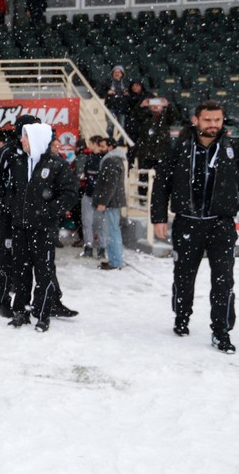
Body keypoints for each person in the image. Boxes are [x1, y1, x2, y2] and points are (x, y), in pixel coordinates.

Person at [151, 100, 237, 354]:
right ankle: (182, 316)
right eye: (208, 120)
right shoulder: (179, 148)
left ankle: (221, 330)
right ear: (195, 120)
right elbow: (161, 184)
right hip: (187, 223)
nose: (213, 125)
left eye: (217, 120)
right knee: (184, 276)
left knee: (224, 281)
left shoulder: (233, 148)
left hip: (221, 225)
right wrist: (159, 217)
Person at [6, 123, 79, 332]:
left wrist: (48, 211)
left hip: (43, 229)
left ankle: (43, 312)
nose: (21, 140)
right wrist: (13, 209)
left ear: (36, 139)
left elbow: (70, 194)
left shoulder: (56, 165)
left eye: (25, 137)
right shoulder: (19, 162)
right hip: (21, 228)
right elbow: (11, 190)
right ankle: (20, 311)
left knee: (44, 272)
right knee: (20, 271)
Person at [0, 115, 40, 317]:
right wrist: (4, 202)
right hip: (5, 216)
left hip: (28, 217)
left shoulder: (37, 153)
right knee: (4, 259)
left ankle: (26, 301)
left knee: (25, 261)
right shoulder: (7, 152)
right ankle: (3, 301)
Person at [131, 96, 180, 200]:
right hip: (145, 151)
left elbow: (175, 116)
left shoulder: (166, 117)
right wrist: (141, 105)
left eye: (158, 104)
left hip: (161, 151)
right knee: (143, 176)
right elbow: (135, 115)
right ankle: (143, 198)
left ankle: (161, 197)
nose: (156, 106)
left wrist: (169, 105)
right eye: (153, 104)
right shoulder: (144, 116)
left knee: (162, 176)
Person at [93, 138, 128, 271]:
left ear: (111, 147)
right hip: (114, 201)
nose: (101, 149)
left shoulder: (111, 161)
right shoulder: (116, 160)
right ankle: (115, 260)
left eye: (103, 146)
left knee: (112, 231)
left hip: (111, 202)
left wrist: (103, 202)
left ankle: (115, 261)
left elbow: (110, 185)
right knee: (113, 231)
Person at [78, 135, 108, 259]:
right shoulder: (89, 158)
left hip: (100, 196)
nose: (89, 146)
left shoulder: (104, 159)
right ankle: (88, 247)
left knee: (101, 224)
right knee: (87, 222)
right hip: (89, 193)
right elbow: (86, 174)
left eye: (90, 143)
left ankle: (101, 248)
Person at [97, 65, 130, 135]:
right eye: (115, 72)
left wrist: (127, 94)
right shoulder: (107, 81)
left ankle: (120, 141)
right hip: (110, 106)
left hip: (123, 107)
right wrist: (107, 92)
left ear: (122, 74)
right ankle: (109, 141)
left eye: (119, 72)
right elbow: (99, 91)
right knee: (110, 124)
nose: (117, 73)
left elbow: (132, 93)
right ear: (112, 73)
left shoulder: (127, 83)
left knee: (122, 125)